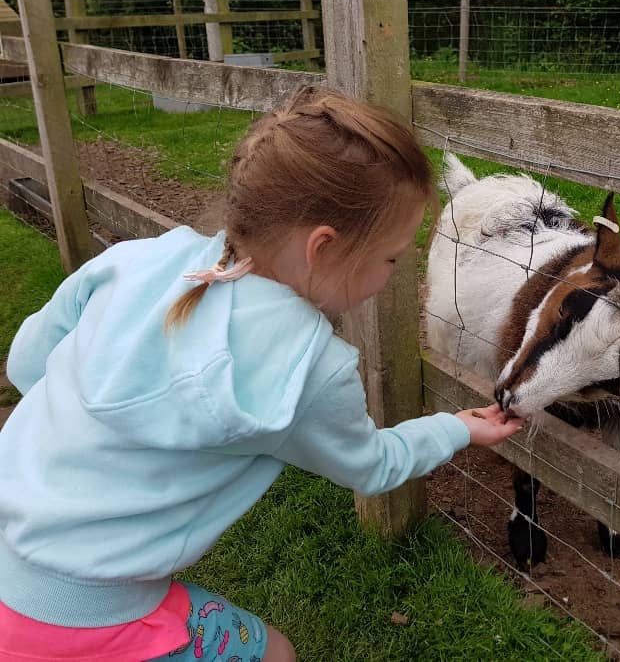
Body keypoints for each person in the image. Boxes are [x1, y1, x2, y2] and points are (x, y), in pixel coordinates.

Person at [0, 85, 524, 662]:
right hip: (93, 614)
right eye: (393, 258)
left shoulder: (136, 258)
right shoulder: (311, 366)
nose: (394, 274)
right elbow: (372, 465)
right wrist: (455, 429)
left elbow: (27, 362)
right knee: (275, 654)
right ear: (323, 247)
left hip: (9, 546)